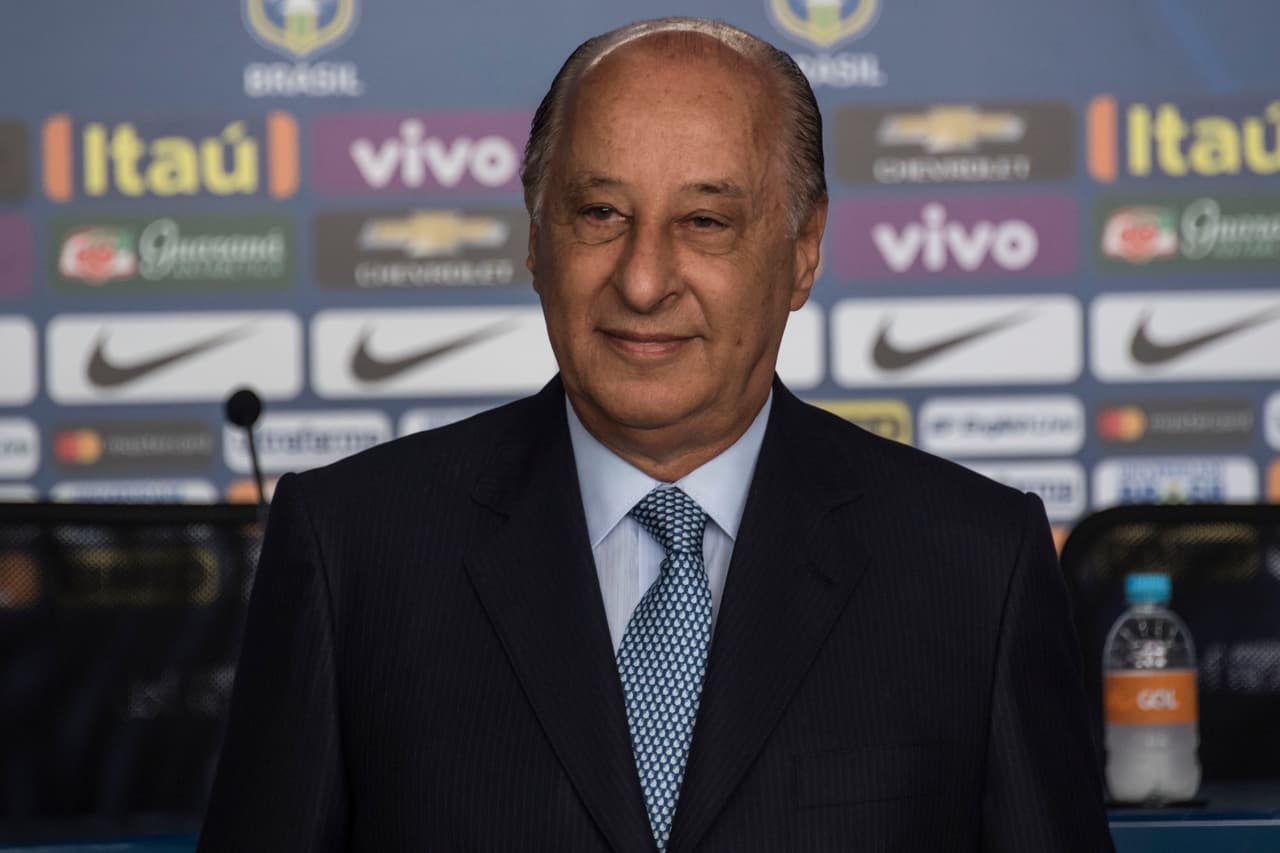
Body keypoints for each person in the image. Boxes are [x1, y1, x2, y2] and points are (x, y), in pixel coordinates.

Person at [198, 17, 1115, 852]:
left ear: (803, 251)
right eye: (600, 214)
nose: (642, 280)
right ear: (534, 236)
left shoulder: (974, 565)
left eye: (705, 222)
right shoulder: (352, 547)